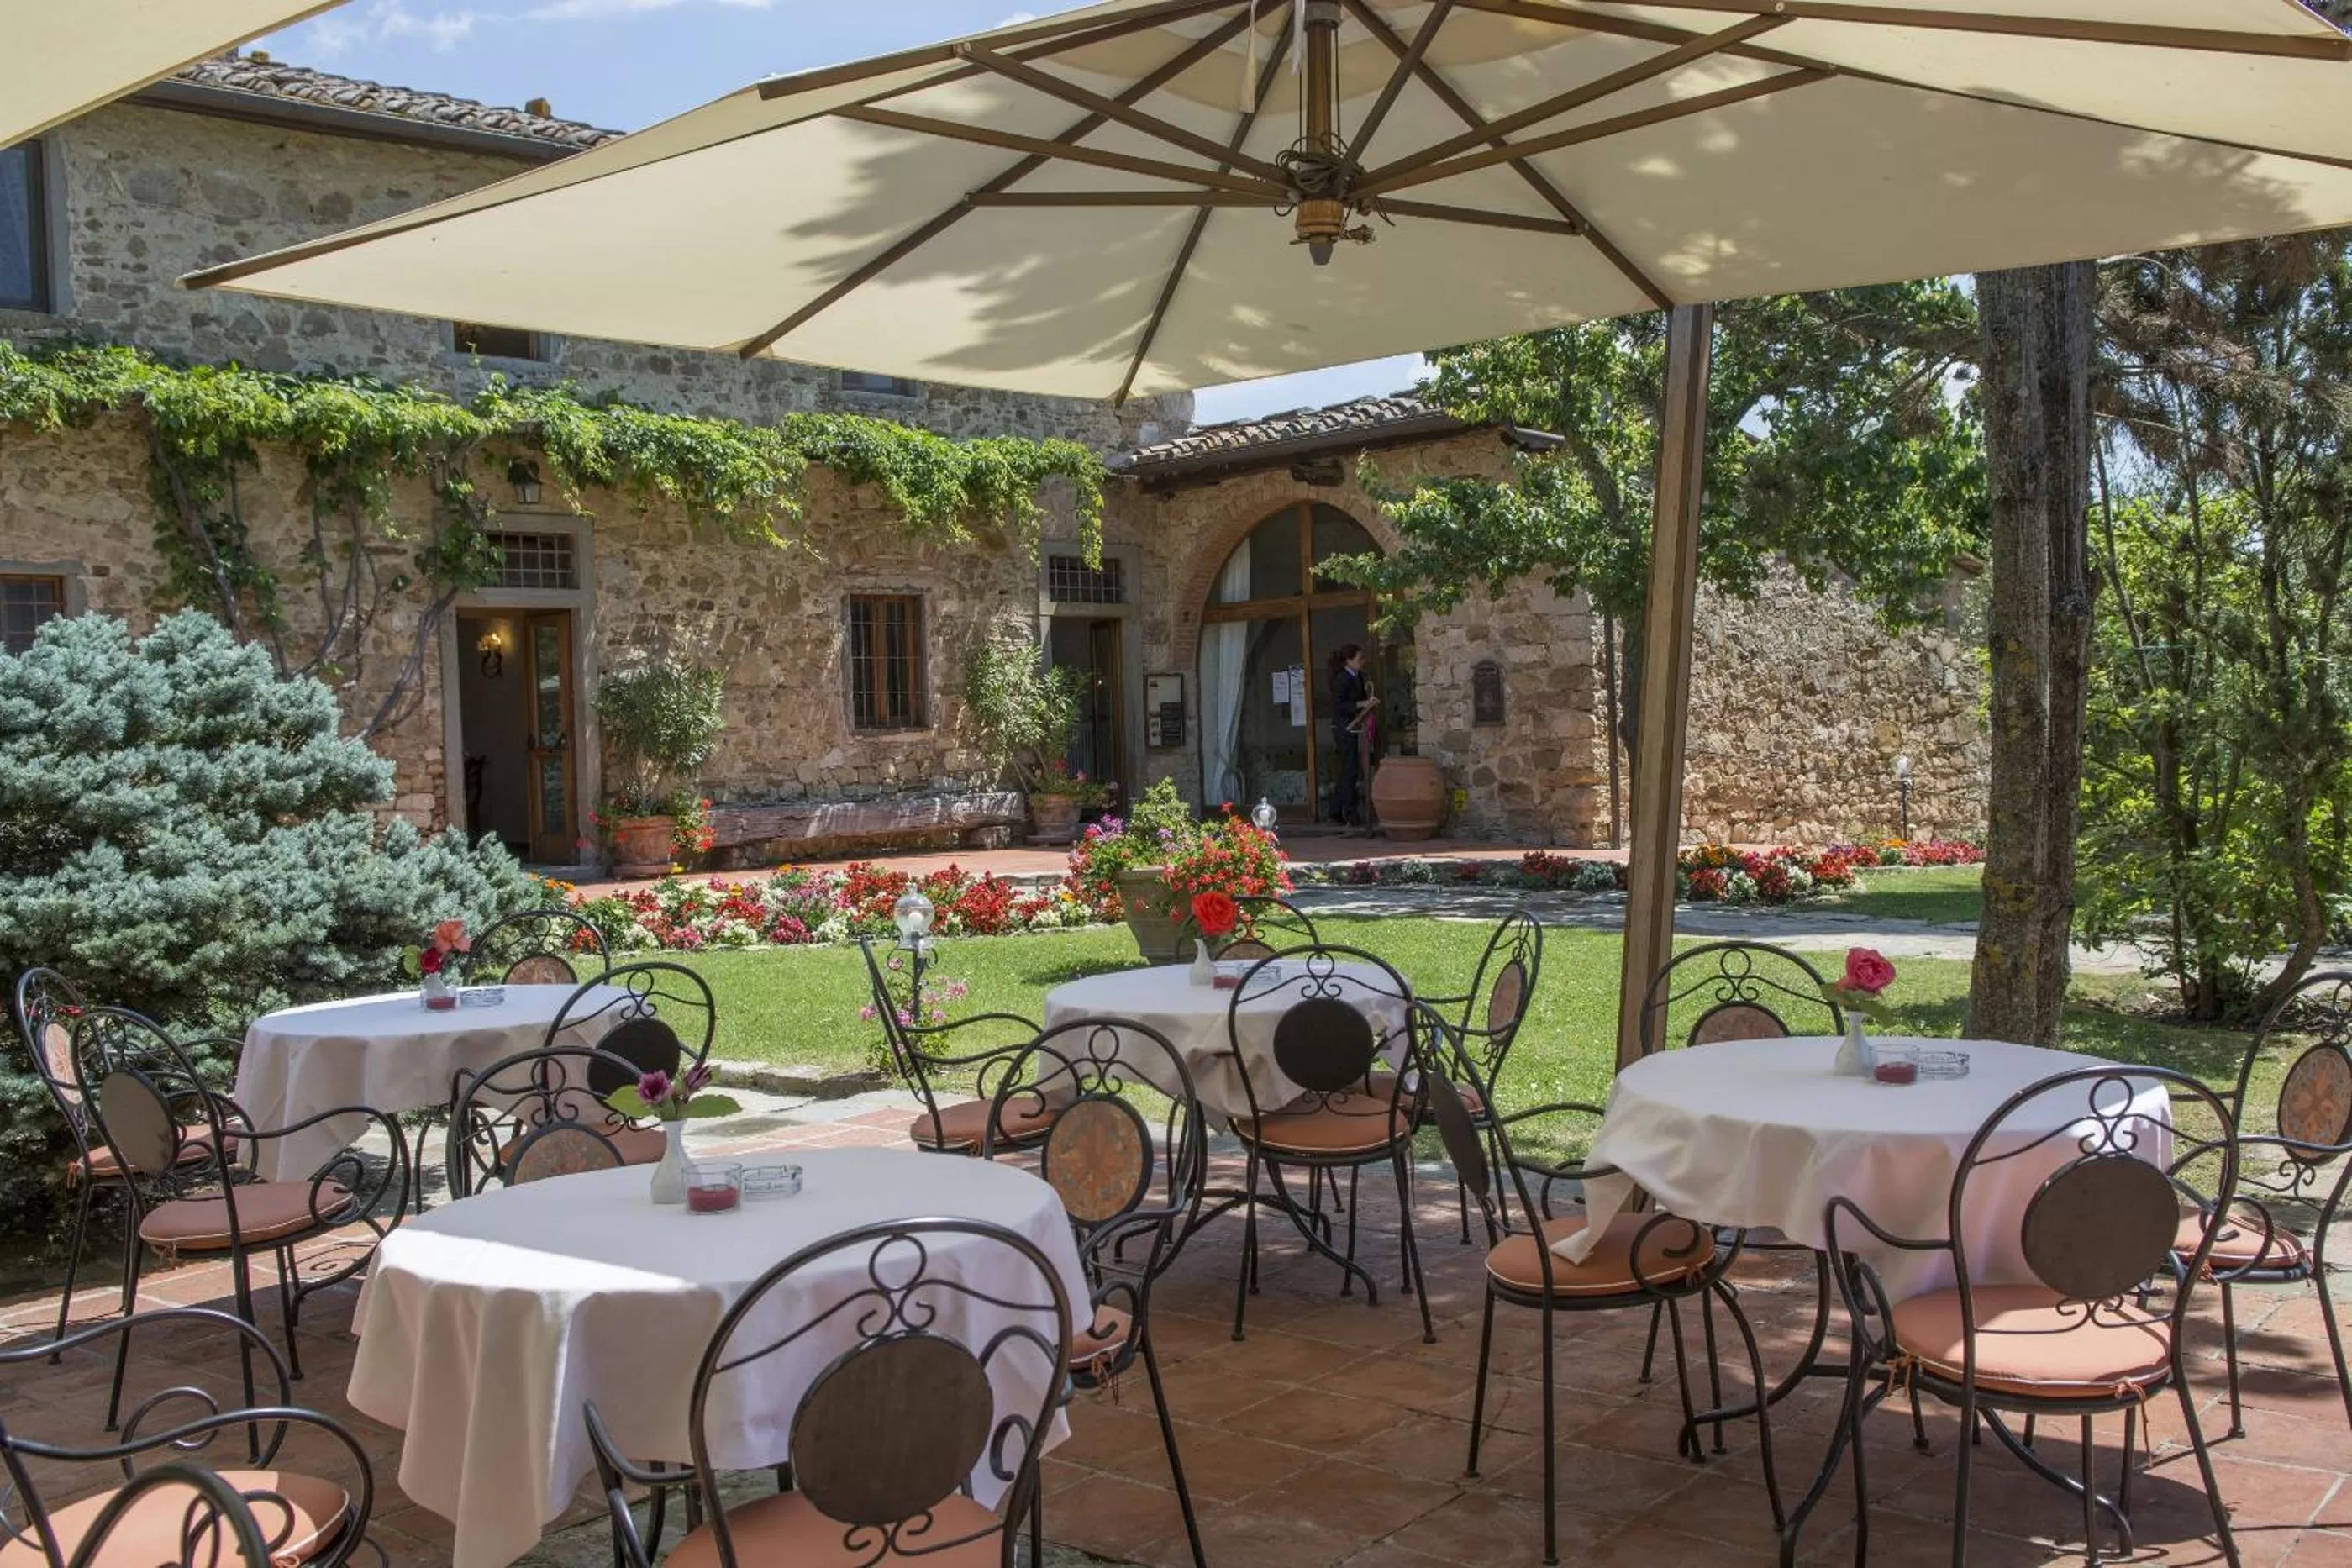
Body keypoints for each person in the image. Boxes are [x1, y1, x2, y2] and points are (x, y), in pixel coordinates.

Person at [1328, 644, 1376, 829]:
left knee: (1351, 769)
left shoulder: (1359, 676)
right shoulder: (1342, 678)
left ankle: (1337, 810)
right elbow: (1339, 705)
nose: (1363, 662)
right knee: (1350, 769)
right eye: (1359, 659)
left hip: (1355, 727)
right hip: (1344, 727)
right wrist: (1360, 704)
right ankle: (1349, 811)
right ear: (1349, 660)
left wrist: (1368, 703)